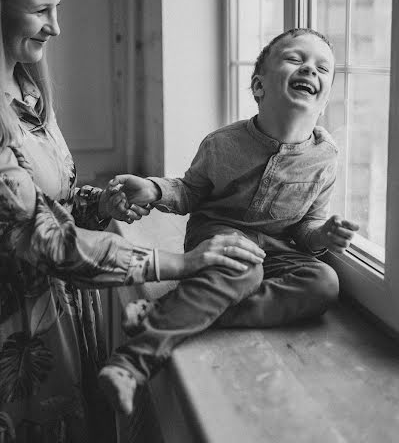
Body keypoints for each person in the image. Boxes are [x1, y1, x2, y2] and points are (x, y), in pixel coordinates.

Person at [0, 0, 265, 443]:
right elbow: (40, 240)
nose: (55, 27)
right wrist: (181, 263)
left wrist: (102, 205)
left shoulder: (25, 86)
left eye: (58, 8)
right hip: (16, 341)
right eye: (40, 10)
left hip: (62, 321)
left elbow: (45, 203)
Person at [98, 27, 359, 415]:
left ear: (323, 102)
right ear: (259, 86)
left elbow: (305, 231)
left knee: (323, 283)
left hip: (277, 248)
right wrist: (153, 189)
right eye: (295, 59)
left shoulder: (326, 158)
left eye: (323, 68)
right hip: (217, 237)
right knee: (244, 270)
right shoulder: (222, 143)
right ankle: (132, 361)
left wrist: (324, 234)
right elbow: (189, 191)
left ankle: (179, 310)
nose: (310, 69)